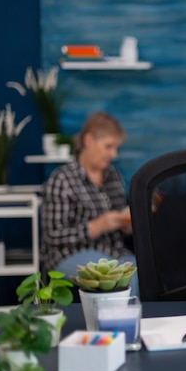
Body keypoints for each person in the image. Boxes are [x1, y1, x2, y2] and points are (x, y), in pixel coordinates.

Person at [40, 111, 138, 296]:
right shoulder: (62, 179)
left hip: (112, 252)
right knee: (123, 278)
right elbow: (53, 236)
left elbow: (118, 217)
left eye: (116, 148)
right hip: (69, 254)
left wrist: (126, 224)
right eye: (109, 146)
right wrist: (97, 226)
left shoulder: (113, 175)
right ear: (88, 140)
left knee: (146, 273)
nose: (113, 154)